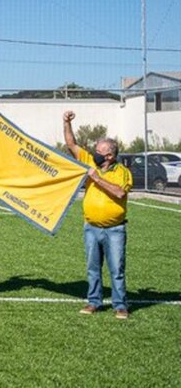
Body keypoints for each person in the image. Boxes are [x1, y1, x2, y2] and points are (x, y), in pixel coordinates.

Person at [63, 110, 133, 319]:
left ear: (110, 155)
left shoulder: (122, 172)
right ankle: (94, 302)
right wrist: (66, 122)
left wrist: (96, 178)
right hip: (91, 227)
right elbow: (71, 144)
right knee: (93, 268)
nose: (95, 153)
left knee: (116, 269)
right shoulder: (89, 161)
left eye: (100, 151)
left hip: (115, 230)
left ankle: (120, 305)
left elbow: (120, 192)